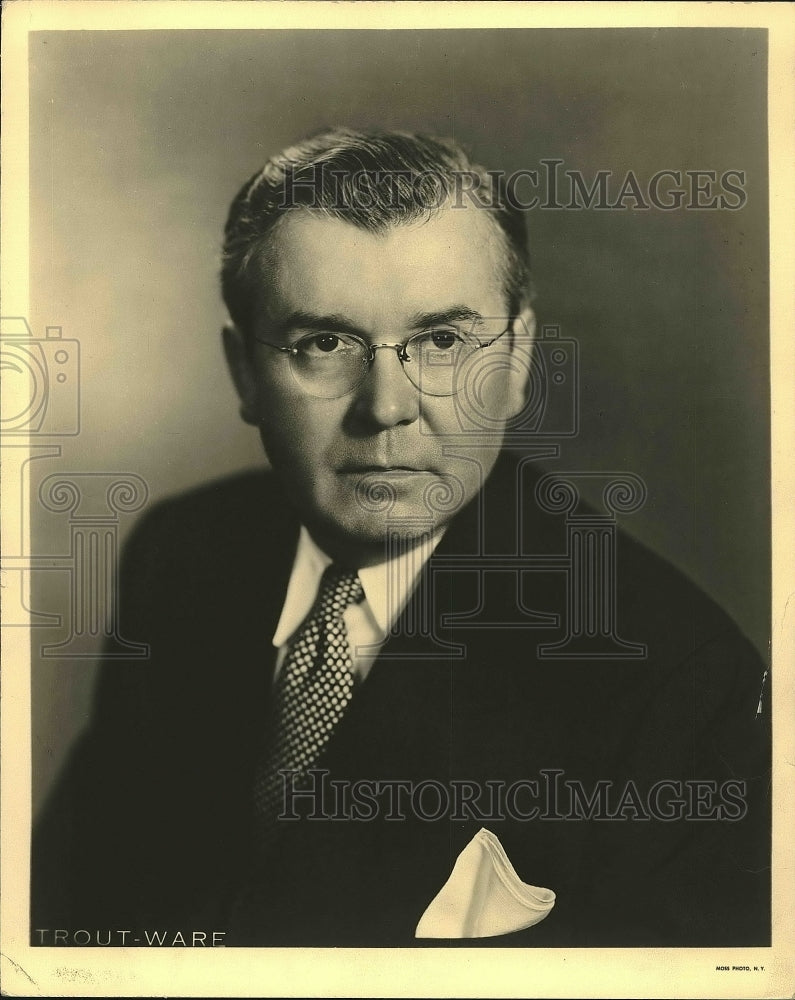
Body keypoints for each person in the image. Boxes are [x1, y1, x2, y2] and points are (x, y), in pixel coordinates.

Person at [31, 128, 770, 947]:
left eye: (442, 342)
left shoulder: (675, 678)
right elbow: (67, 919)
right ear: (244, 372)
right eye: (324, 343)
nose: (386, 405)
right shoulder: (182, 554)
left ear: (517, 356)